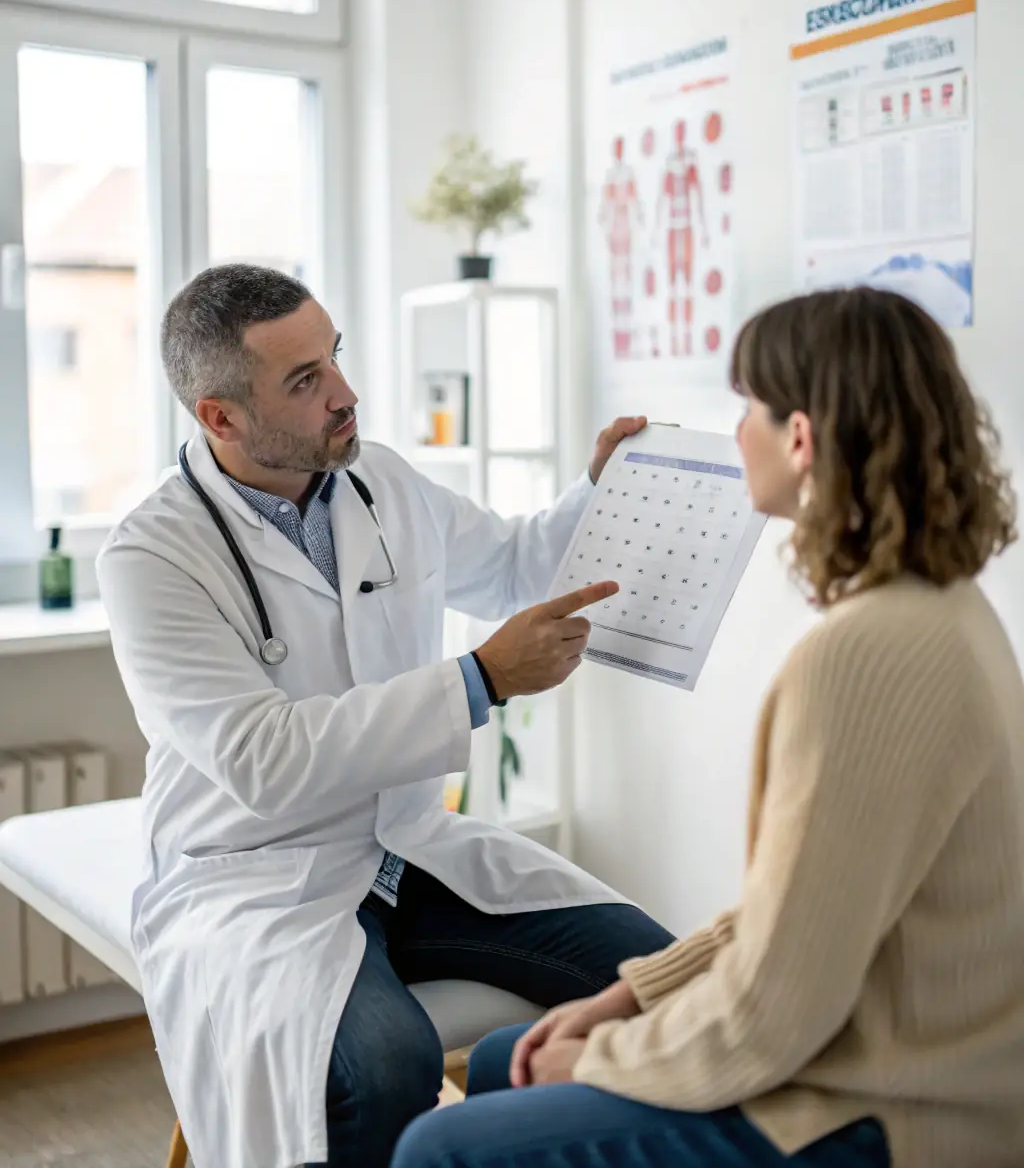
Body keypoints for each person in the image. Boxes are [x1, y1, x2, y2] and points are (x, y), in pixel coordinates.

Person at [392, 286, 1024, 1168]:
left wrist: (602, 1055)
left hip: (889, 1108)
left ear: (800, 438)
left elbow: (774, 1011)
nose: (737, 432)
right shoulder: (948, 611)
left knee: (438, 1146)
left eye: (750, 406)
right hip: (902, 1059)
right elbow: (794, 909)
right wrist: (623, 999)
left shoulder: (864, 657)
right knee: (503, 1059)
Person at [96, 264, 675, 1168]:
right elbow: (262, 758)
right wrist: (480, 679)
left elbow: (515, 564)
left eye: (334, 356)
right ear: (220, 417)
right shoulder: (151, 556)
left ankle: (499, 1143)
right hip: (261, 873)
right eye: (305, 380)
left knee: (659, 977)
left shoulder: (382, 483)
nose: (345, 393)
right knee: (382, 1063)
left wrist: (597, 490)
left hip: (409, 846)